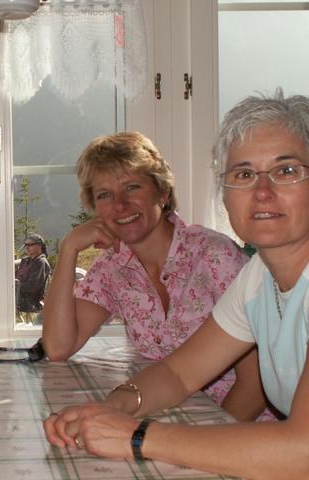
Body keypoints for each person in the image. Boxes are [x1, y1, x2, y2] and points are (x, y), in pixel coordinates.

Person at [43, 91, 309, 478]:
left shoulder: (217, 255)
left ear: (163, 192)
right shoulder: (258, 278)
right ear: (225, 194)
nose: (262, 191)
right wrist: (109, 409)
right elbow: (178, 374)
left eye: (286, 171)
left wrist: (138, 437)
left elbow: (303, 450)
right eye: (244, 175)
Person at [41, 131, 268, 421]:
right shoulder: (113, 266)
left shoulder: (214, 255)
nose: (120, 204)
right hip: (175, 415)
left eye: (132, 187)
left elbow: (256, 386)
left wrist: (205, 441)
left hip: (244, 426)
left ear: (162, 192)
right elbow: (58, 347)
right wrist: (68, 249)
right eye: (104, 195)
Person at [15, 233, 51, 324]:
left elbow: (33, 287)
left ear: (40, 246)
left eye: (30, 245)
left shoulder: (41, 263)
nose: (27, 247)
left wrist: (15, 286)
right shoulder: (26, 261)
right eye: (26, 245)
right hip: (20, 300)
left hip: (31, 305)